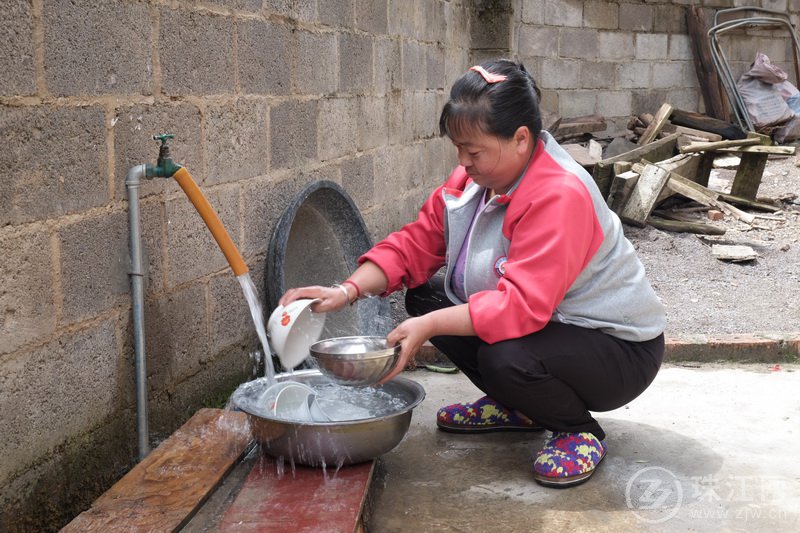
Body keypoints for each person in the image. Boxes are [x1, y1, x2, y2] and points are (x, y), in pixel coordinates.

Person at [279, 59, 666, 488]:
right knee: (426, 297)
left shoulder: (560, 194)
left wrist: (427, 328)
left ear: (521, 139)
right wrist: (346, 291)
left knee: (503, 357)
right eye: (459, 149)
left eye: (474, 150)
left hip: (618, 351)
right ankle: (517, 405)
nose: (464, 162)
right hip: (554, 328)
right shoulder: (471, 183)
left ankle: (578, 431)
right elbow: (417, 243)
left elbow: (521, 307)